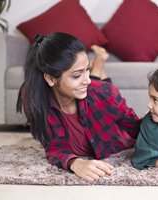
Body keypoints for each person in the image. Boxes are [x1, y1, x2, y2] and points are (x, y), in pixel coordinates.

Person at [16, 32, 142, 182]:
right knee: (92, 86)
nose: (86, 80)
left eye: (87, 69)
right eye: (77, 75)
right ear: (50, 79)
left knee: (97, 88)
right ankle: (99, 63)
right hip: (85, 93)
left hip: (101, 100)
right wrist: (76, 163)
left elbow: (136, 128)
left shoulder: (105, 93)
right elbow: (53, 147)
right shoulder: (33, 97)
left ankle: (99, 63)